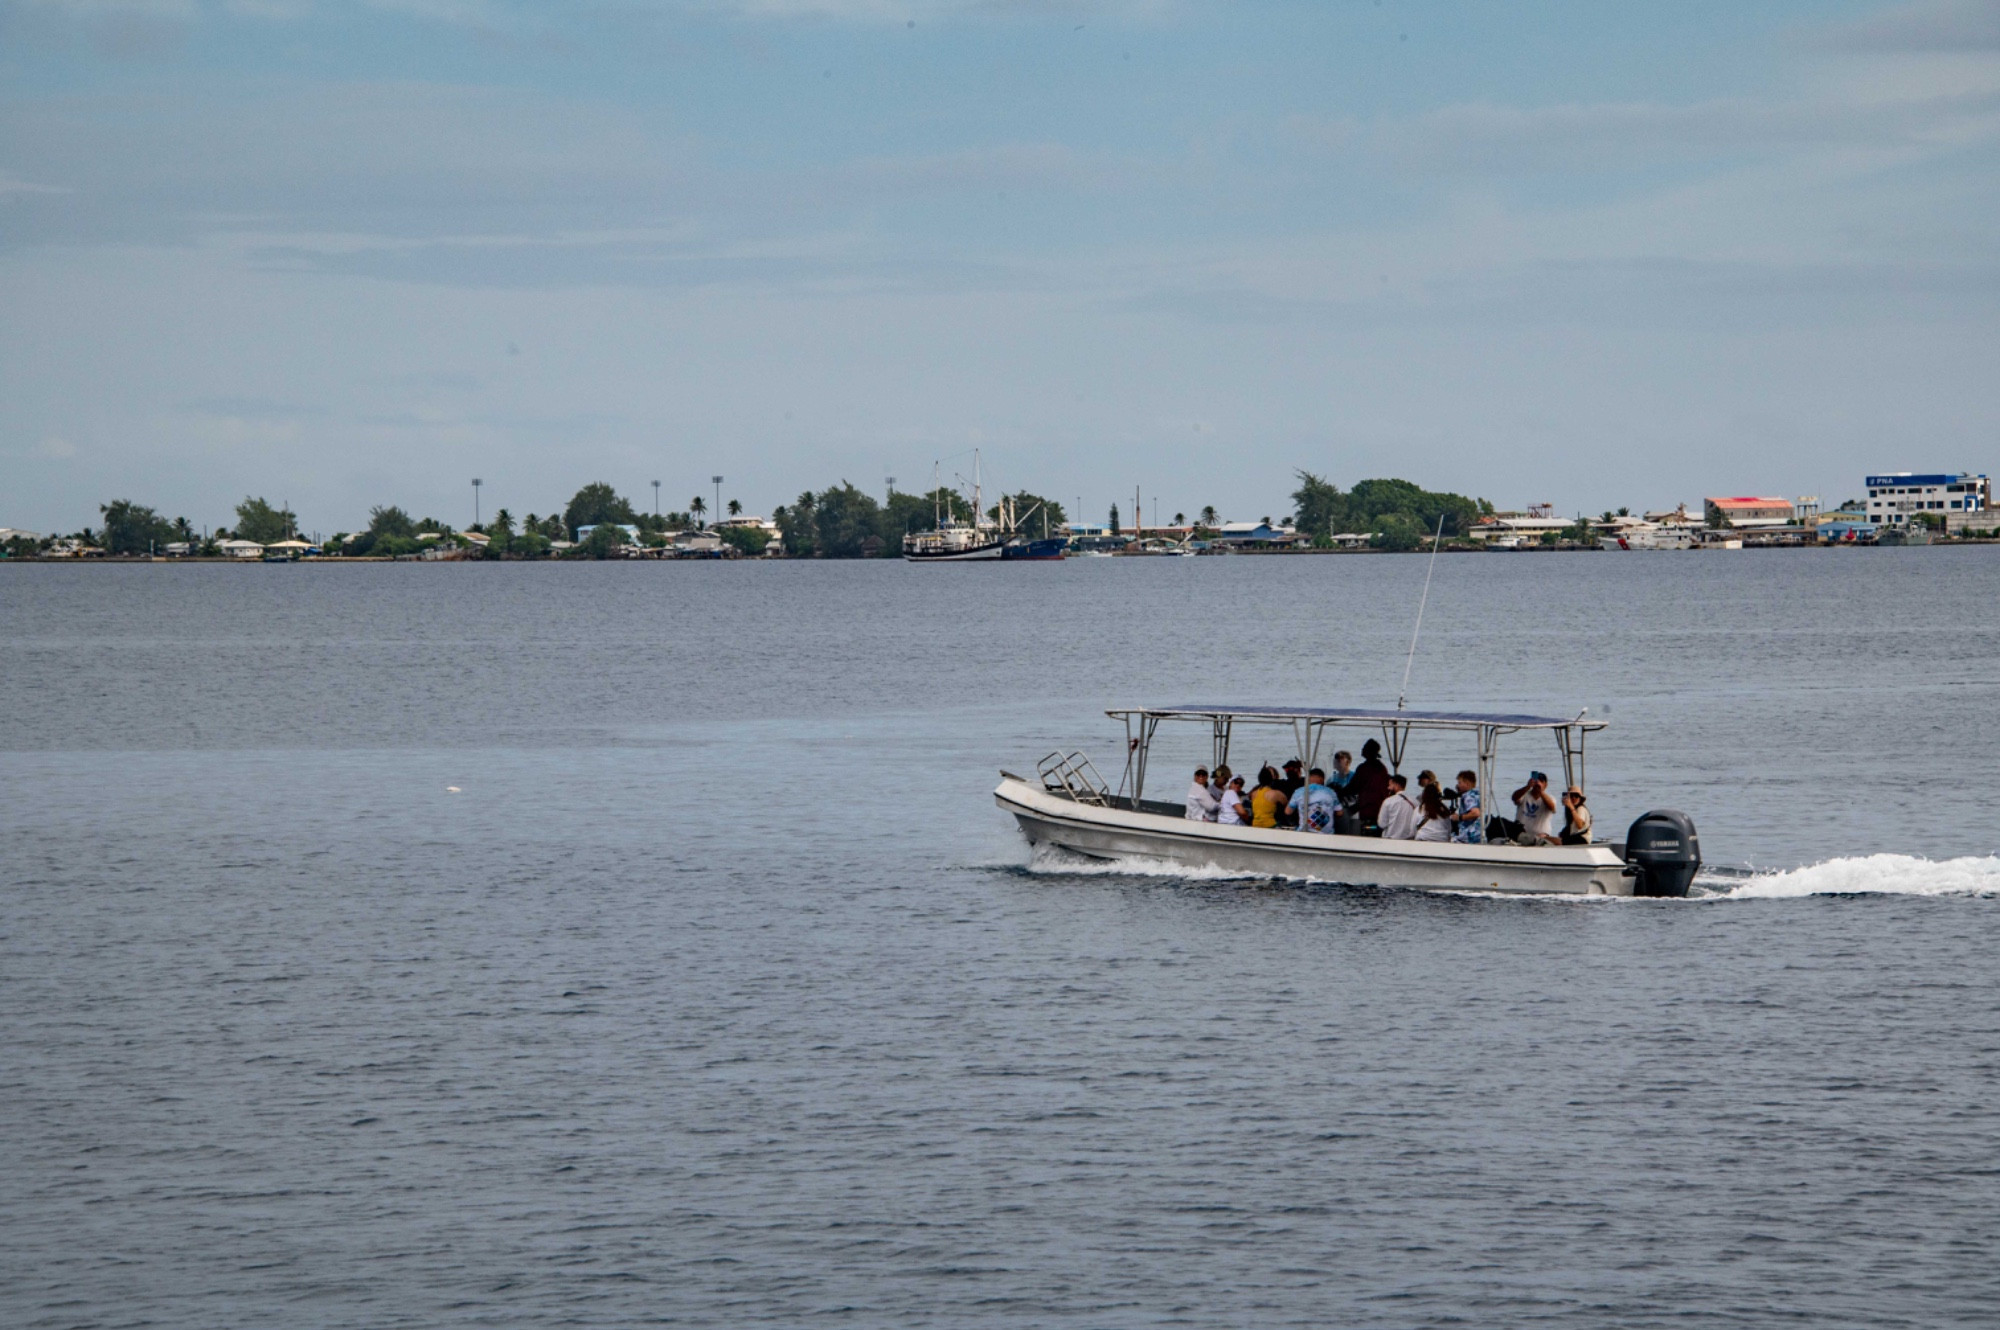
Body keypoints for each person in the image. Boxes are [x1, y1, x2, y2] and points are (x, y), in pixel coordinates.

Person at [1349, 739, 1392, 832]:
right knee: (1376, 831)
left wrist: (1339, 791)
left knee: (1368, 831)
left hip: (1368, 810)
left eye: (1364, 748)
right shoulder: (1382, 767)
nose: (1362, 749)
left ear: (1368, 751)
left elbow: (1353, 787)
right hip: (1380, 809)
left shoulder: (1364, 768)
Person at [1509, 771, 1559, 845]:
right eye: (1536, 780)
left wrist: (1540, 791)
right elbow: (1514, 798)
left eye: (1541, 781)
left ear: (1545, 785)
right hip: (1522, 834)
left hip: (1541, 836)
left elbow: (1551, 807)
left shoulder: (1550, 798)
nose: (1537, 783)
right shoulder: (1525, 795)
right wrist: (1528, 786)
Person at [1287, 766, 1337, 834]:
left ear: (1308, 778)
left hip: (1304, 833)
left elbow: (1288, 811)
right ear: (1322, 779)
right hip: (1327, 834)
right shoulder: (1331, 792)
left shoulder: (1299, 792)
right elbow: (1340, 813)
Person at [1377, 773, 1420, 839]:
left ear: (1396, 785)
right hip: (1409, 840)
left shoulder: (1388, 801)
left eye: (1390, 785)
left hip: (1390, 840)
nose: (1388, 788)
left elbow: (1382, 824)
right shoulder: (1415, 802)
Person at [1449, 770, 1484, 844]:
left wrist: (1459, 817)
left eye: (1459, 783)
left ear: (1467, 784)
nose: (1457, 785)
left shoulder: (1468, 796)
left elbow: (1476, 813)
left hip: (1468, 835)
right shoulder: (1477, 794)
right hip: (1479, 834)